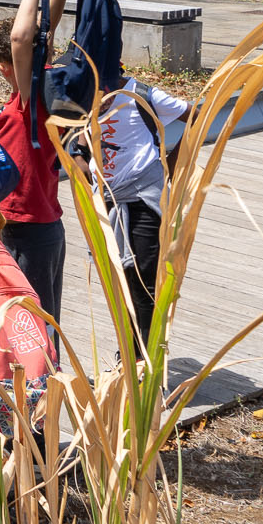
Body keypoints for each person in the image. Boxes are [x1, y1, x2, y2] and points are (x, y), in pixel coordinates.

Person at [0, 0, 81, 335]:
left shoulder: (31, 100)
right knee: (29, 327)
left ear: (4, 66)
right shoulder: (39, 91)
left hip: (29, 231)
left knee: (31, 332)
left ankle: (41, 396)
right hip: (32, 227)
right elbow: (45, 31)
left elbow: (25, 40)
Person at [95, 71, 190, 352]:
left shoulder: (143, 95)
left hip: (142, 200)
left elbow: (199, 115)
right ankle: (128, 355)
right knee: (119, 280)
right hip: (106, 202)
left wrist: (168, 166)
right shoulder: (79, 93)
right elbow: (74, 144)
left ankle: (147, 366)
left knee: (144, 283)